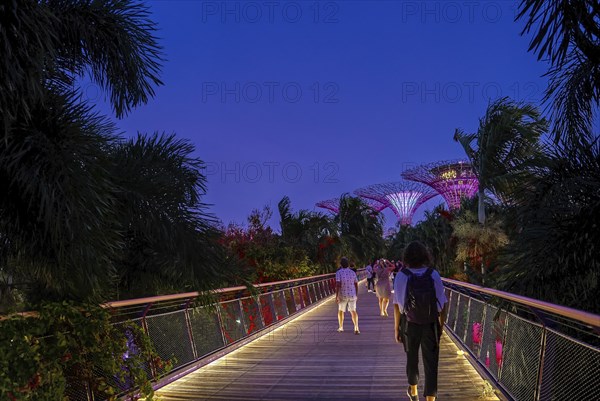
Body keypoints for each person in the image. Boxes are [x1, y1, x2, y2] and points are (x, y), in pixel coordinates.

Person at [393, 241, 448, 401]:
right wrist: (440, 327)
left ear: (406, 257)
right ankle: (430, 398)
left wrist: (396, 328)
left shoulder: (401, 276)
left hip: (409, 323)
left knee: (412, 358)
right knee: (431, 363)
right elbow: (442, 304)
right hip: (430, 324)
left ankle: (414, 391)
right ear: (425, 255)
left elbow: (397, 305)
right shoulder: (433, 274)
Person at [335, 257, 360, 334]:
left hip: (343, 295)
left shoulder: (338, 273)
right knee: (353, 311)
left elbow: (338, 284)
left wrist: (336, 296)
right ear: (348, 264)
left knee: (341, 311)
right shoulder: (352, 272)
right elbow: (356, 283)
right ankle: (356, 327)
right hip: (352, 294)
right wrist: (356, 294)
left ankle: (341, 327)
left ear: (341, 265)